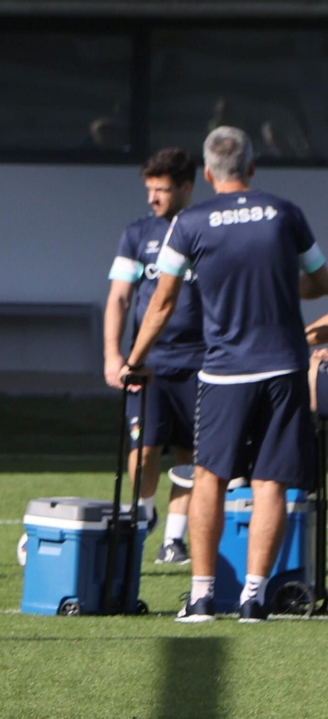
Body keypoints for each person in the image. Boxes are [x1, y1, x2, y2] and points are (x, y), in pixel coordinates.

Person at [123, 126, 328, 622]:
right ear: (253, 169)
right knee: (271, 483)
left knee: (210, 478)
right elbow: (320, 282)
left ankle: (200, 596)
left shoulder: (190, 222)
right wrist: (278, 283)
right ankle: (254, 598)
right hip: (284, 366)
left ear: (209, 173)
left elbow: (163, 302)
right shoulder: (285, 213)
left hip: (224, 373)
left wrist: (135, 359)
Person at [102, 148, 204, 564]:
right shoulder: (136, 234)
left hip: (202, 361)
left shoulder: (205, 230)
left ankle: (173, 540)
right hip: (149, 363)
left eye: (161, 189)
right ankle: (143, 520)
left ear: (185, 187)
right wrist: (113, 354)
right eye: (149, 189)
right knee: (144, 449)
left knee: (192, 455)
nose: (153, 198)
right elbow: (120, 297)